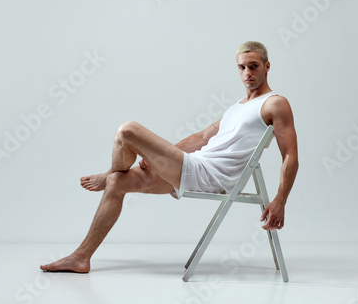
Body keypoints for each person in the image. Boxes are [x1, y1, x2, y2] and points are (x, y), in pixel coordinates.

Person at [40, 41, 299, 273]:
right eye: (241, 67)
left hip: (210, 175)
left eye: (253, 66)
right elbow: (201, 137)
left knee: (127, 130)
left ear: (266, 66)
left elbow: (290, 156)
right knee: (116, 183)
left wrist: (280, 200)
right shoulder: (237, 108)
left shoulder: (275, 103)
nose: (247, 73)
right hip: (195, 165)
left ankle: (109, 170)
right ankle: (81, 257)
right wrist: (159, 159)